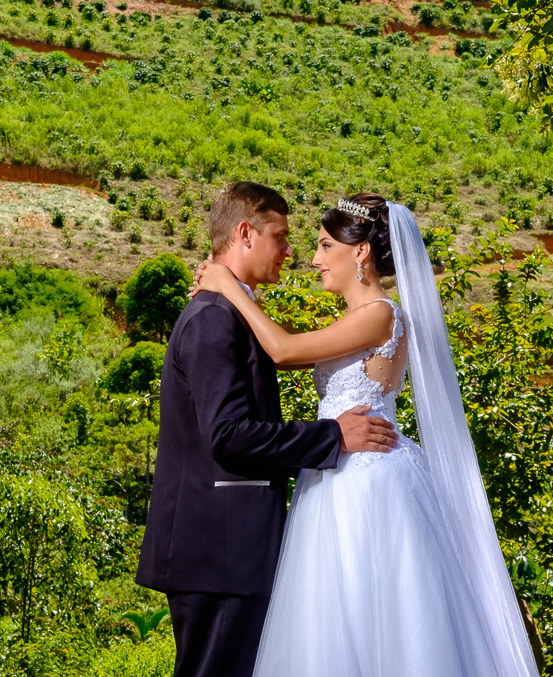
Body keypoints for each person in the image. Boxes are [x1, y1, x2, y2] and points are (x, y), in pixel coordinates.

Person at [190, 193, 543, 677]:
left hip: (367, 481)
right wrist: (238, 296)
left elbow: (284, 350)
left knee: (376, 613)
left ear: (360, 251)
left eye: (324, 246)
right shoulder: (355, 320)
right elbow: (285, 347)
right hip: (332, 473)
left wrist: (228, 287)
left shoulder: (382, 314)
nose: (314, 259)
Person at [135, 182, 400, 677]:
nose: (293, 252)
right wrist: (332, 436)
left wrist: (229, 287)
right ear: (245, 233)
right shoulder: (214, 318)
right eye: (280, 236)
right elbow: (229, 434)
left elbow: (284, 349)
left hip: (237, 550)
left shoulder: (231, 312)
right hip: (220, 550)